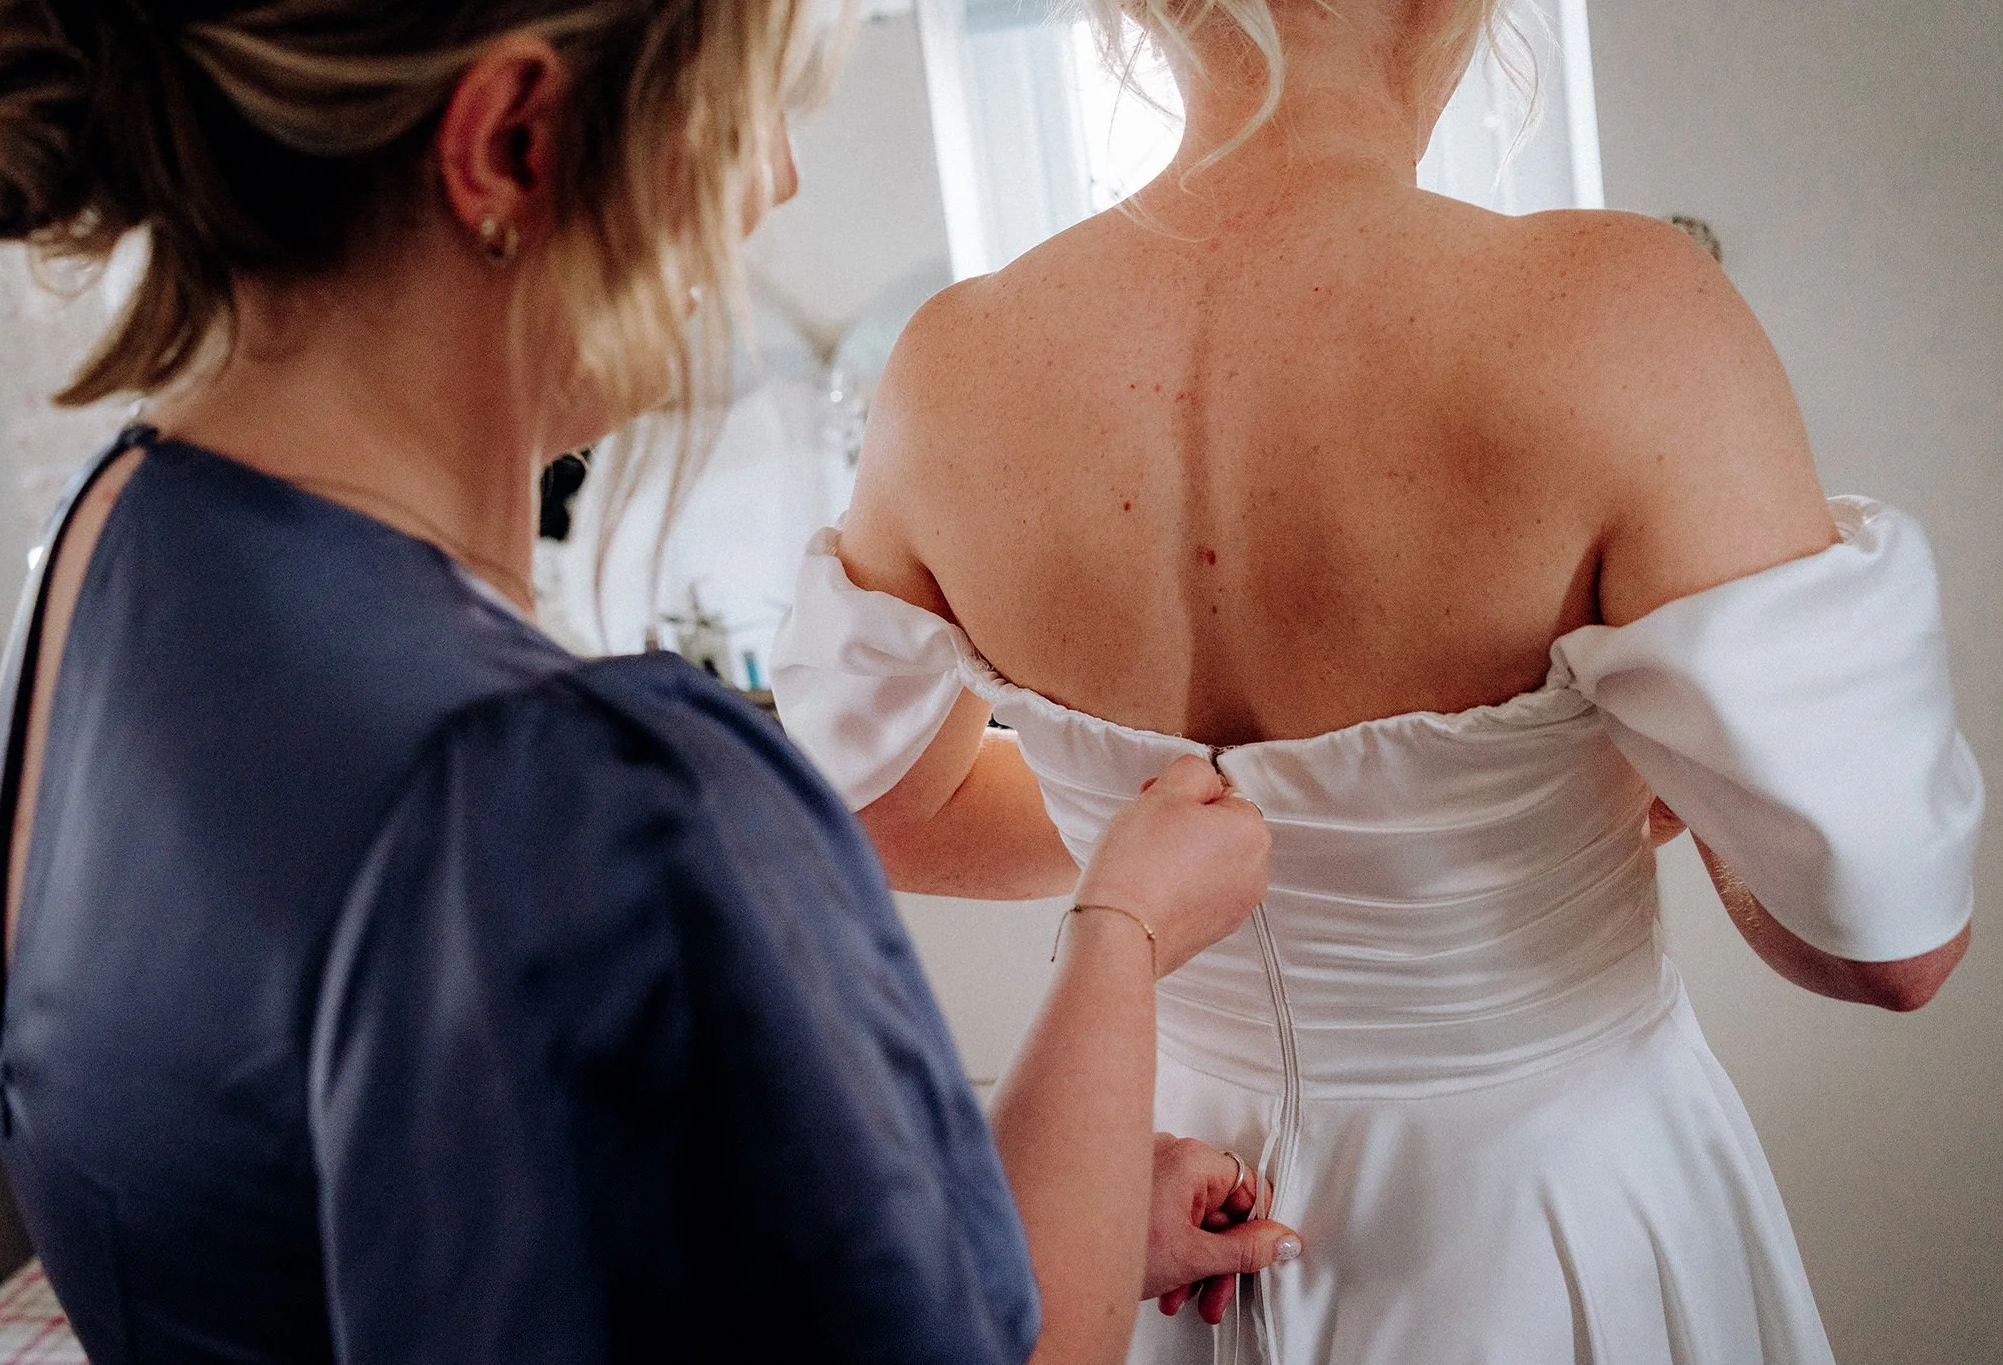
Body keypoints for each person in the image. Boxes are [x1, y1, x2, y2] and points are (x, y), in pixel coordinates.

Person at [0, 1, 1301, 1361]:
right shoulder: (569, 799)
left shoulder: (110, 543)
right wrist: (1122, 934)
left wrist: (1050, 1218)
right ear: (514, 144)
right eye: (747, 110)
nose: (778, 179)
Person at [769, 0, 1983, 1360]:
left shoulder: (950, 366)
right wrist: (1665, 786)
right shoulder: (1624, 316)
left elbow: (882, 811)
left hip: (1152, 1213)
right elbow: (1886, 946)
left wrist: (1171, 843)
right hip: (1548, 1211)